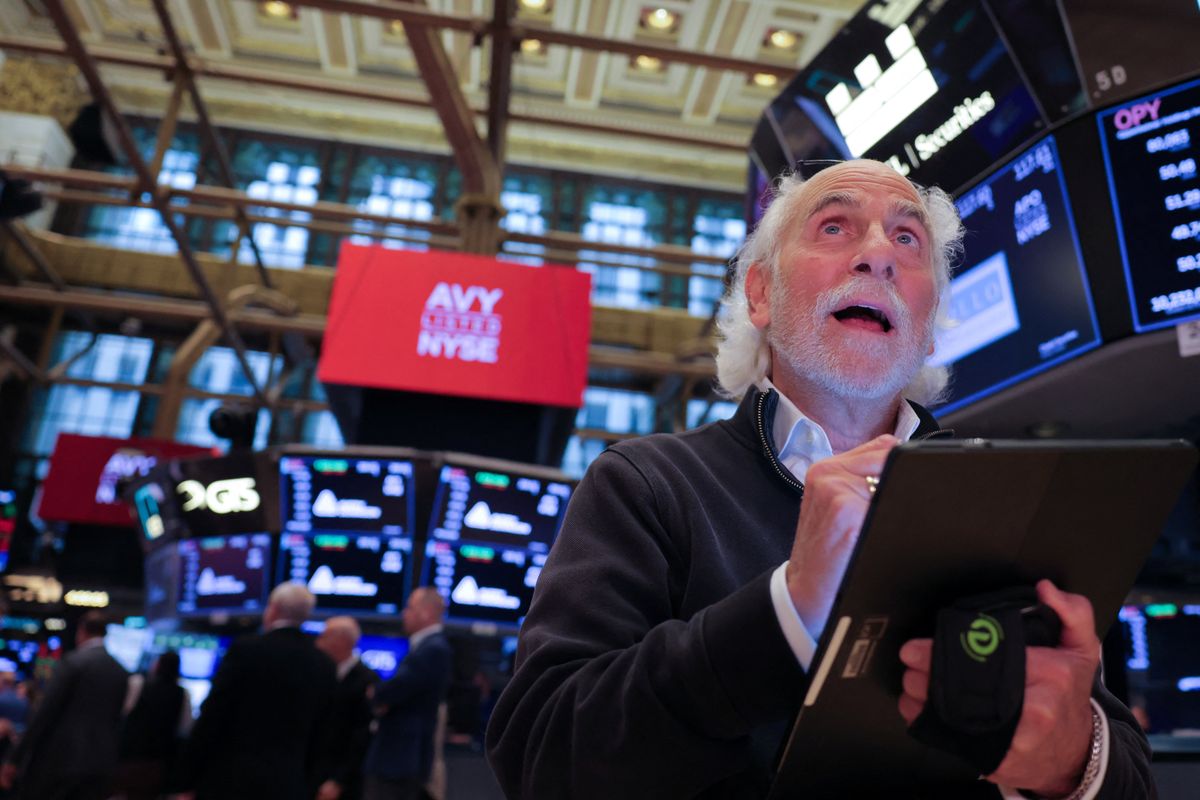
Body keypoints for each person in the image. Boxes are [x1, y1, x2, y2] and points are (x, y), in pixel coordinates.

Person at [485, 160, 1155, 799]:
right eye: (834, 227)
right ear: (760, 294)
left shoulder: (1009, 500)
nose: (878, 255)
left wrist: (1075, 760)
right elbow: (542, 758)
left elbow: (1129, 779)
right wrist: (787, 610)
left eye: (906, 238)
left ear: (926, 331)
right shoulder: (646, 485)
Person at [183, 582, 336, 800]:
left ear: (273, 609)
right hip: (289, 784)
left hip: (231, 780)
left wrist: (186, 778)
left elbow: (214, 715)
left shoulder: (246, 650)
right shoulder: (323, 664)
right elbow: (323, 734)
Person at [0, 611, 129, 800]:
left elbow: (45, 713)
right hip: (102, 763)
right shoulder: (121, 671)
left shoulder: (73, 662)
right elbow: (118, 719)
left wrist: (15, 758)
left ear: (81, 631)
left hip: (62, 761)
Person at [363, 588, 452, 800]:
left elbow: (392, 690)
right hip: (402, 757)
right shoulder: (427, 647)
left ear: (426, 612)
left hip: (401, 758)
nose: (404, 613)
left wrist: (377, 694)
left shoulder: (433, 648)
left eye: (410, 607)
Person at [314, 616, 380, 800]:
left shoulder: (366, 680)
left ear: (342, 641)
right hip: (314, 774)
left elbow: (362, 737)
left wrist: (339, 780)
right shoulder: (321, 673)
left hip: (346, 783)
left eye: (324, 635)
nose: (318, 642)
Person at [113, 651, 190, 800]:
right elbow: (184, 729)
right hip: (158, 761)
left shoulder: (138, 684)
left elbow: (122, 714)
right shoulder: (182, 694)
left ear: (158, 665)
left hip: (129, 755)